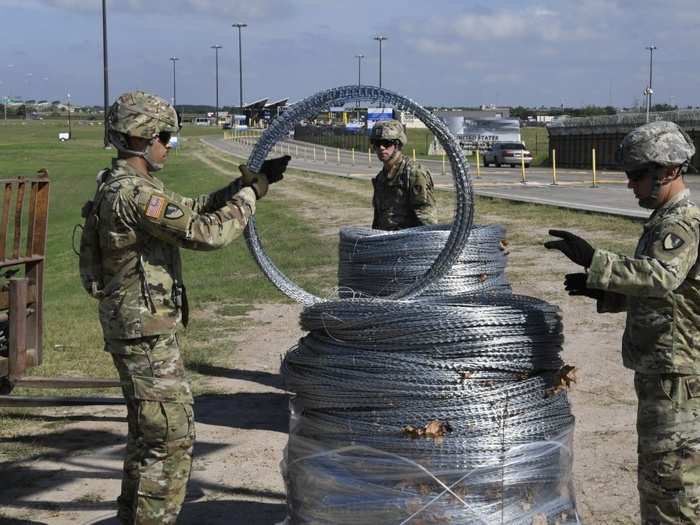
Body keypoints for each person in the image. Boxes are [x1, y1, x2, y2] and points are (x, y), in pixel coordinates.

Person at [79, 91, 289, 524]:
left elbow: (188, 209)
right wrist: (252, 195)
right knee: (169, 437)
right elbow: (204, 232)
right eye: (165, 137)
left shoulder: (125, 187)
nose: (168, 146)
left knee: (148, 436)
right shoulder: (135, 195)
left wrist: (245, 185)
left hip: (140, 327)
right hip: (145, 332)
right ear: (143, 138)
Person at [544, 120, 700, 524]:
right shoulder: (662, 220)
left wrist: (594, 260)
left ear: (667, 171)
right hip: (665, 372)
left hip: (676, 376)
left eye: (637, 176)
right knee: (659, 476)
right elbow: (669, 297)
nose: (631, 185)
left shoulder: (679, 223)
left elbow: (659, 276)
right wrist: (607, 293)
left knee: (672, 485)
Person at [369, 119, 437, 230]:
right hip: (386, 242)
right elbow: (379, 219)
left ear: (398, 145)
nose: (381, 148)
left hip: (409, 242)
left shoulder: (414, 174)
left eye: (386, 143)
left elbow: (427, 220)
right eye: (377, 143)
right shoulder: (381, 178)